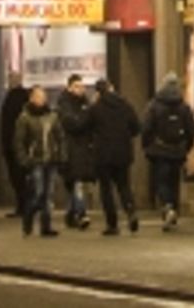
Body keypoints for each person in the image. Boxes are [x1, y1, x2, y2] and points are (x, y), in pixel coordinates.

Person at [140, 72, 194, 229]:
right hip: (177, 150)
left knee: (161, 181)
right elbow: (192, 129)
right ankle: (174, 211)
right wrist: (186, 147)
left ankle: (167, 206)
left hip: (159, 150)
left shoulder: (154, 105)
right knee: (174, 181)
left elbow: (146, 128)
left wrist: (147, 146)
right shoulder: (184, 107)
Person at [91, 76, 141, 236]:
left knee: (106, 190)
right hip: (122, 152)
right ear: (111, 88)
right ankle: (130, 209)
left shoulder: (96, 108)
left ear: (98, 92)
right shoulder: (124, 104)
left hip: (103, 154)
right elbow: (136, 126)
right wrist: (125, 136)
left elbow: (85, 126)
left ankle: (112, 224)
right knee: (124, 185)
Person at [13, 84, 64, 238]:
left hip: (51, 159)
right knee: (38, 192)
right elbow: (19, 141)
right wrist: (24, 159)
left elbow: (60, 136)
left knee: (48, 194)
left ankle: (46, 226)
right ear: (32, 98)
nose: (41, 99)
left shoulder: (52, 116)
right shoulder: (25, 117)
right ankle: (28, 215)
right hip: (35, 160)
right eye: (38, 96)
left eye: (43, 96)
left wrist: (61, 154)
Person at [55, 73, 96, 228]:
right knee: (76, 183)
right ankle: (81, 213)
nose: (80, 89)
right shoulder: (64, 104)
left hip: (84, 149)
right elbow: (73, 124)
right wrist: (85, 118)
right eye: (77, 86)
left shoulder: (85, 103)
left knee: (75, 184)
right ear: (69, 87)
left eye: (82, 86)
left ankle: (71, 214)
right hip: (70, 149)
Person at [0, 81, 29, 218]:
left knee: (17, 178)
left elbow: (5, 128)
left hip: (12, 147)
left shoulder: (10, 101)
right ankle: (26, 206)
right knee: (23, 178)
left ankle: (22, 206)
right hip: (21, 147)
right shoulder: (25, 102)